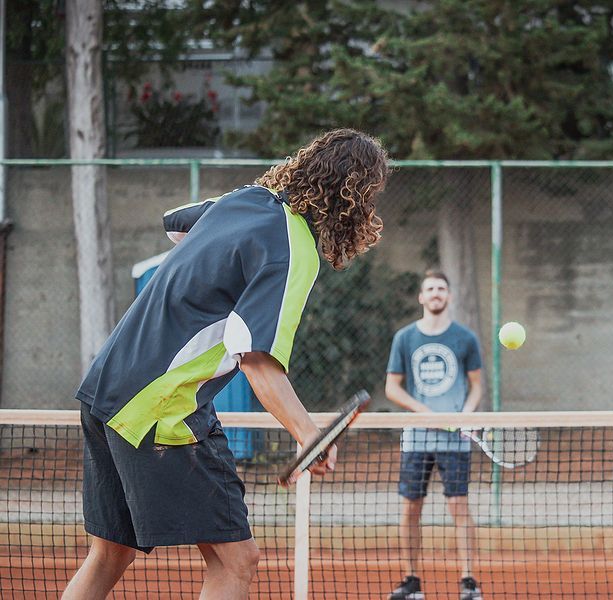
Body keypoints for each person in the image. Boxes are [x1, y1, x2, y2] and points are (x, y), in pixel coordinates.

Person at [62, 128, 389, 600]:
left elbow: (175, 223)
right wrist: (308, 434)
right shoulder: (295, 249)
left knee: (110, 552)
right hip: (158, 404)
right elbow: (257, 359)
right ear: (352, 197)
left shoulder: (245, 199)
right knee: (237, 559)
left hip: (104, 388)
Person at [385, 270, 484, 600]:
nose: (436, 293)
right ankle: (411, 582)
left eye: (442, 288)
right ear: (421, 297)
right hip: (416, 438)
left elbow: (477, 387)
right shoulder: (405, 338)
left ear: (449, 296)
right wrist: (427, 415)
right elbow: (392, 388)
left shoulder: (466, 338)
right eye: (430, 289)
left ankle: (469, 582)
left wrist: (465, 417)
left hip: (454, 441)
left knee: (459, 506)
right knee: (410, 509)